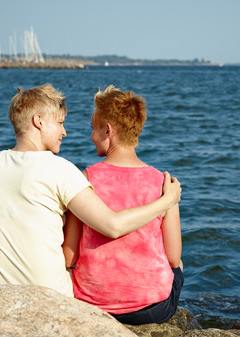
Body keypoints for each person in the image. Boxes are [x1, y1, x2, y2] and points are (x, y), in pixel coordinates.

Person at [0, 84, 181, 298]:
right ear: (39, 121)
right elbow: (112, 226)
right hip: (49, 293)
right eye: (60, 123)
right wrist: (167, 201)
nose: (64, 131)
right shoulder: (61, 170)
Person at [63, 85, 183, 324]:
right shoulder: (163, 183)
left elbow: (69, 257)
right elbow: (172, 258)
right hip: (153, 308)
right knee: (178, 264)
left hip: (93, 304)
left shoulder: (85, 179)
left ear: (108, 130)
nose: (90, 136)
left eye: (92, 129)